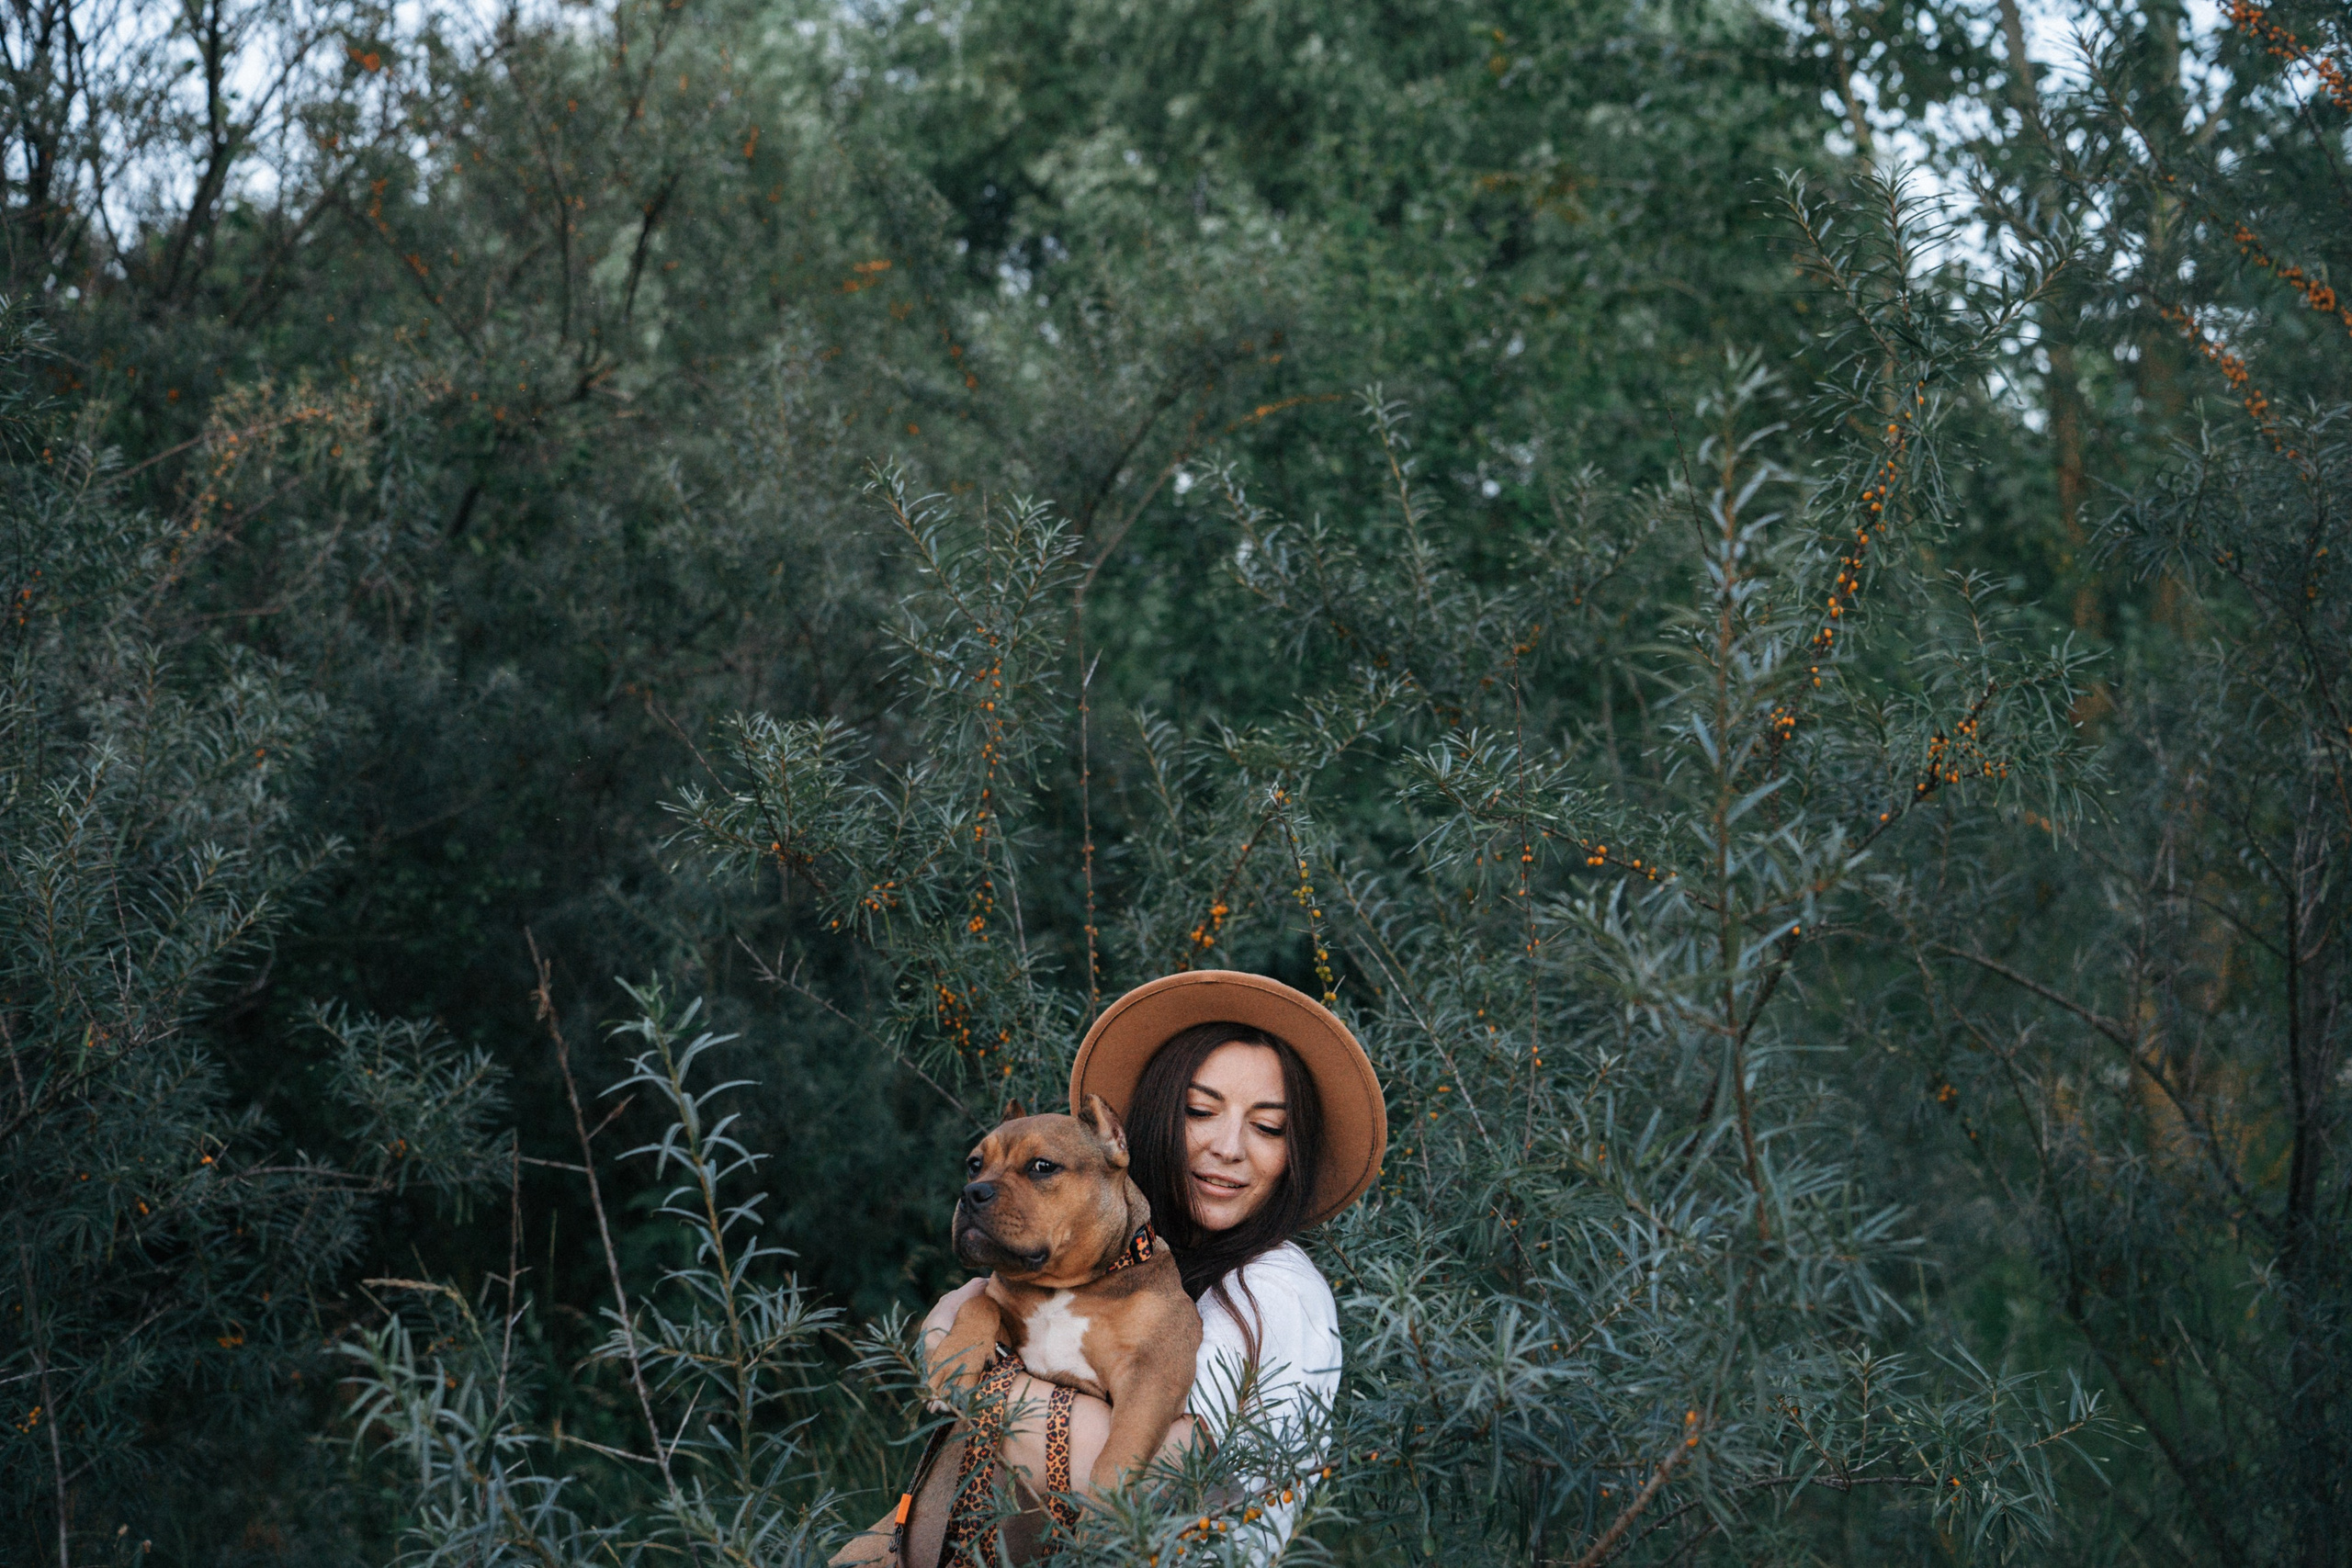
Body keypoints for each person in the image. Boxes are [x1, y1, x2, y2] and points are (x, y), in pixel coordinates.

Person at [864, 970, 1386, 1564]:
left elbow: (1150, 1486)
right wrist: (980, 1309)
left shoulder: (1275, 1289)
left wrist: (966, 1365)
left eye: (1267, 1125)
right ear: (1150, 1120)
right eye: (1199, 1110)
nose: (1229, 1145)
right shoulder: (1135, 1260)